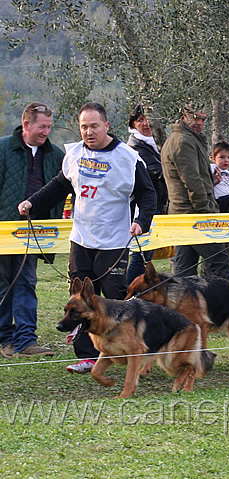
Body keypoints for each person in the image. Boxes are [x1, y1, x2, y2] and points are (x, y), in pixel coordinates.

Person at [19, 102, 156, 372]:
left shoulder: (128, 157)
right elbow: (60, 185)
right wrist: (32, 203)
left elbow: (148, 193)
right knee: (79, 299)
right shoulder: (74, 154)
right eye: (84, 127)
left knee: (115, 296)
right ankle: (87, 356)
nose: (88, 132)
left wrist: (142, 221)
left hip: (115, 240)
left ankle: (133, 348)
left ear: (106, 126)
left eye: (94, 126)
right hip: (81, 239)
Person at [0, 102, 64, 358]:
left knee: (26, 281)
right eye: (42, 126)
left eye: (49, 127)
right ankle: (7, 339)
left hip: (37, 232)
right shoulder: (3, 149)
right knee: (5, 284)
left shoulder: (56, 155)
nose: (46, 131)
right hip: (5, 230)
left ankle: (26, 339)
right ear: (26, 124)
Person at [161, 104, 229, 281]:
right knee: (220, 263)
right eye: (196, 118)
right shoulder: (183, 141)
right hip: (194, 214)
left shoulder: (181, 139)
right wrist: (207, 210)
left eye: (203, 119)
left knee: (184, 271)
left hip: (182, 213)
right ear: (183, 115)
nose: (200, 123)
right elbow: (192, 182)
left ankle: (181, 308)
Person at [126, 103, 168, 284]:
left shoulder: (155, 145)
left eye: (148, 119)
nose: (145, 124)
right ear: (133, 124)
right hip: (142, 208)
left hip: (157, 205)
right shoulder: (136, 147)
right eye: (140, 120)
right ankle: (130, 292)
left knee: (146, 255)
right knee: (140, 255)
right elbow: (158, 172)